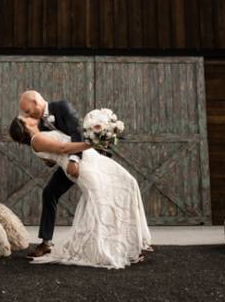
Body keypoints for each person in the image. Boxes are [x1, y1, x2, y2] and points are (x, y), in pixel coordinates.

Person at [9, 112, 153, 269]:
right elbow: (63, 148)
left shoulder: (41, 133)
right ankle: (108, 248)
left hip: (91, 159)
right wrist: (93, 143)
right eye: (25, 118)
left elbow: (52, 156)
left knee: (127, 183)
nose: (29, 115)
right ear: (26, 126)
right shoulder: (36, 139)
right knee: (102, 201)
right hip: (84, 166)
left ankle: (128, 244)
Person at [14, 90, 85, 258]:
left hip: (82, 157)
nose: (27, 115)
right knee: (49, 193)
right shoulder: (37, 124)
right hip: (66, 162)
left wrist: (74, 161)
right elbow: (54, 146)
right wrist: (51, 159)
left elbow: (77, 132)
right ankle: (46, 243)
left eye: (29, 111)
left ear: (36, 102)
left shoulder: (62, 106)